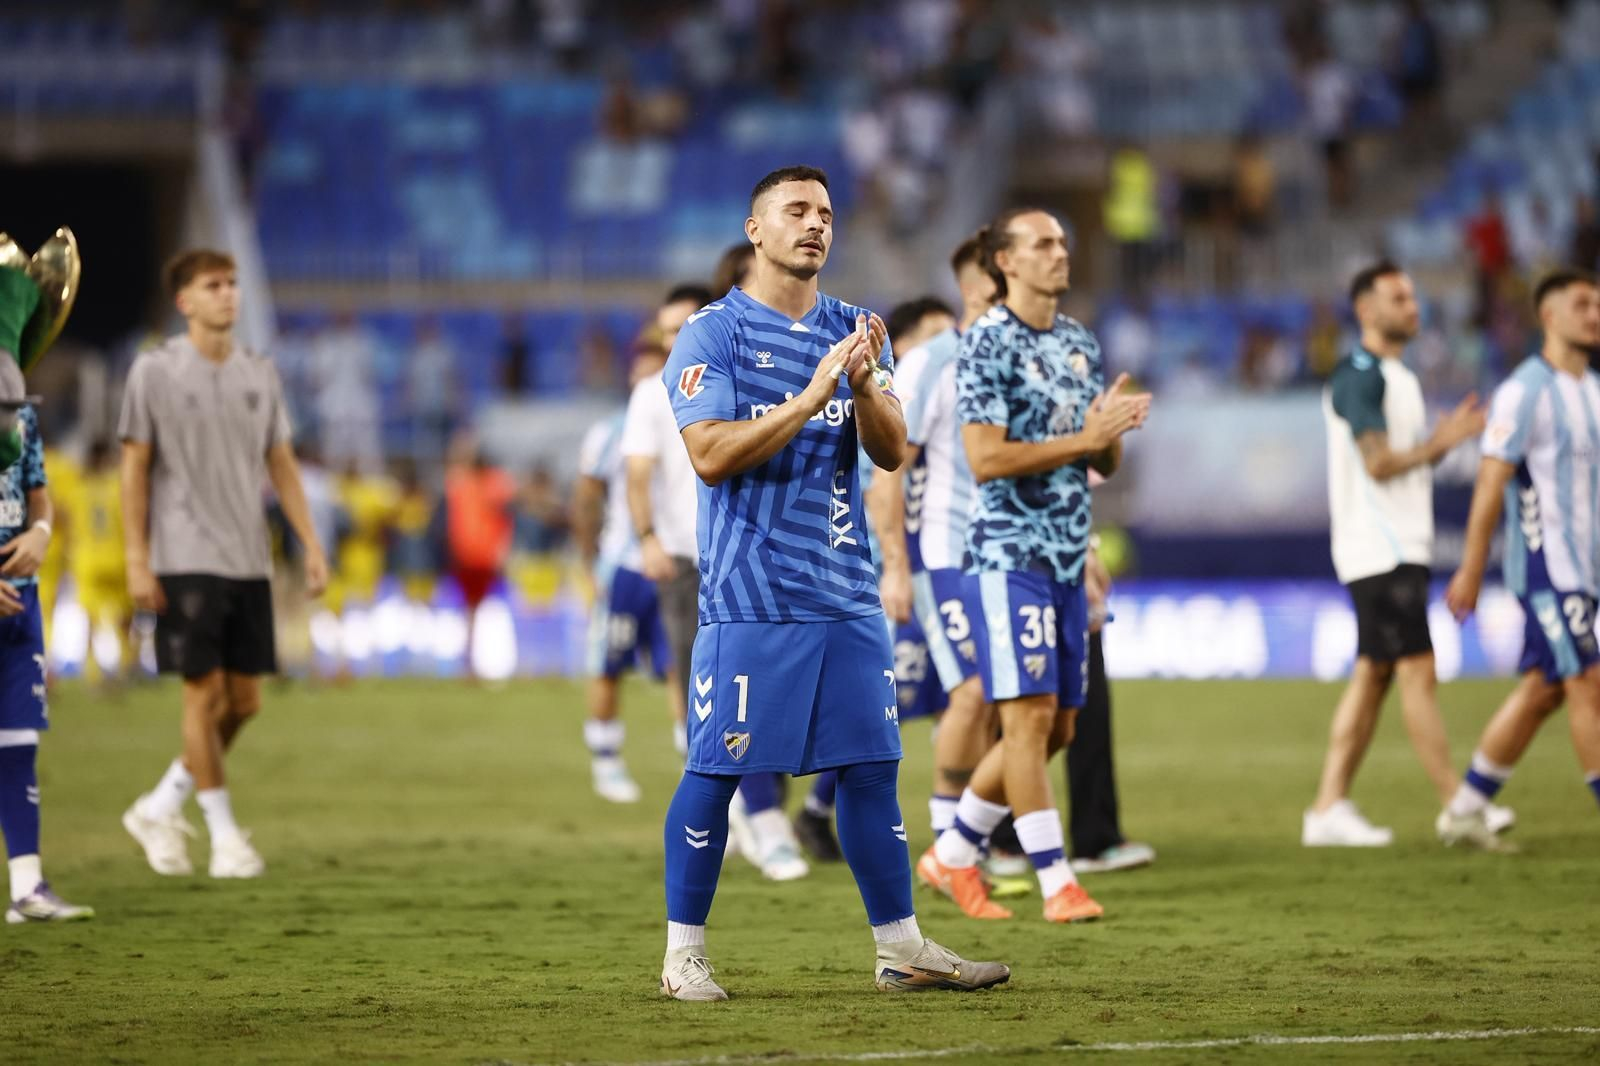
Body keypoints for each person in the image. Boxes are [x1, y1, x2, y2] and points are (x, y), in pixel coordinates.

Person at [657, 165, 1008, 999]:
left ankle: (902, 947)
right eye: (795, 211)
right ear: (755, 229)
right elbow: (709, 456)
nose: (815, 224)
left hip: (845, 594)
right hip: (753, 599)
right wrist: (812, 394)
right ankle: (683, 956)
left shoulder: (855, 327)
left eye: (824, 212)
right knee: (718, 769)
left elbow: (889, 449)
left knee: (869, 768)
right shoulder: (713, 335)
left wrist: (860, 386)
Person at [918, 207, 1149, 924]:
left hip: (1065, 556)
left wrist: (1108, 435)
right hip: (1005, 554)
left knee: (1058, 729)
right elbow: (987, 459)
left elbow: (1096, 457)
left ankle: (952, 853)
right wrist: (1082, 437)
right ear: (1007, 263)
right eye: (1043, 243)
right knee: (1025, 719)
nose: (1060, 251)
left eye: (1062, 239)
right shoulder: (983, 344)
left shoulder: (1079, 342)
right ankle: (1058, 882)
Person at [119, 249, 329, 880]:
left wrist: (311, 544)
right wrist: (137, 556)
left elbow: (282, 464)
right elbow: (133, 467)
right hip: (183, 554)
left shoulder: (259, 374)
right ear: (185, 301)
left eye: (233, 284)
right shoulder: (153, 372)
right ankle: (225, 836)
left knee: (244, 704)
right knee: (202, 693)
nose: (229, 294)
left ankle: (160, 805)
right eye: (213, 285)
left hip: (248, 558)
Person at [1304, 261, 1493, 847]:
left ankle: (1328, 808)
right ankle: (1458, 805)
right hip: (1378, 546)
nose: (1413, 306)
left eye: (1412, 297)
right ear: (1366, 310)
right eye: (1399, 297)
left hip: (1397, 542)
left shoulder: (1398, 376)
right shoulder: (1359, 373)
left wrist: (1439, 446)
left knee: (1376, 675)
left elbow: (1399, 460)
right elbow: (1380, 463)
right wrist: (1437, 445)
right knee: (1417, 668)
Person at [625, 282, 809, 880]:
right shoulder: (650, 397)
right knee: (702, 695)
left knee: (758, 698)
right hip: (683, 556)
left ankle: (756, 817)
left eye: (687, 323)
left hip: (750, 554)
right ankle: (748, 822)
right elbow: (637, 473)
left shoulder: (744, 376)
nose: (679, 337)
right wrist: (647, 538)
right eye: (668, 329)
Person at [1441, 269, 1600, 847]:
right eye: (1582, 304)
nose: (1595, 314)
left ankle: (1464, 808)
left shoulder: (1593, 391)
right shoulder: (1525, 389)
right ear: (1549, 317)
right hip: (1545, 566)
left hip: (1585, 572)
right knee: (1586, 679)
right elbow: (1491, 482)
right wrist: (1470, 567)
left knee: (1545, 689)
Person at [875, 240, 997, 857]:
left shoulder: (1024, 356)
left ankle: (985, 835)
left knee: (1027, 708)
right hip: (946, 554)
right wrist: (896, 564)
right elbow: (890, 468)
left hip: (1013, 557)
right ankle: (953, 843)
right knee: (972, 692)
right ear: (976, 284)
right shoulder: (932, 361)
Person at [0, 402, 93, 921]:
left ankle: (27, 887)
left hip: (20, 601)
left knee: (16, 743)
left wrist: (41, 532)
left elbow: (39, 493)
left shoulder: (23, 413)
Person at [575, 333, 672, 803]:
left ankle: (695, 762)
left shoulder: (688, 422)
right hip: (625, 565)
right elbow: (586, 499)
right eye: (643, 372)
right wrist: (589, 562)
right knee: (609, 663)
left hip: (676, 564)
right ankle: (606, 761)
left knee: (684, 669)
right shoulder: (609, 431)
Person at [444, 434, 515, 679]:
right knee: (471, 609)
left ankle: (488, 660)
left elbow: (509, 513)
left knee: (489, 608)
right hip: (466, 556)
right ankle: (470, 662)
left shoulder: (494, 481)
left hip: (488, 557)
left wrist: (504, 549)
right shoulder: (460, 480)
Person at [63, 438, 133, 686]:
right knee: (124, 618)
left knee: (90, 621)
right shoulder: (118, 487)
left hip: (87, 560)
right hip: (116, 557)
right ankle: (125, 667)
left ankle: (91, 672)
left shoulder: (78, 489)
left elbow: (66, 521)